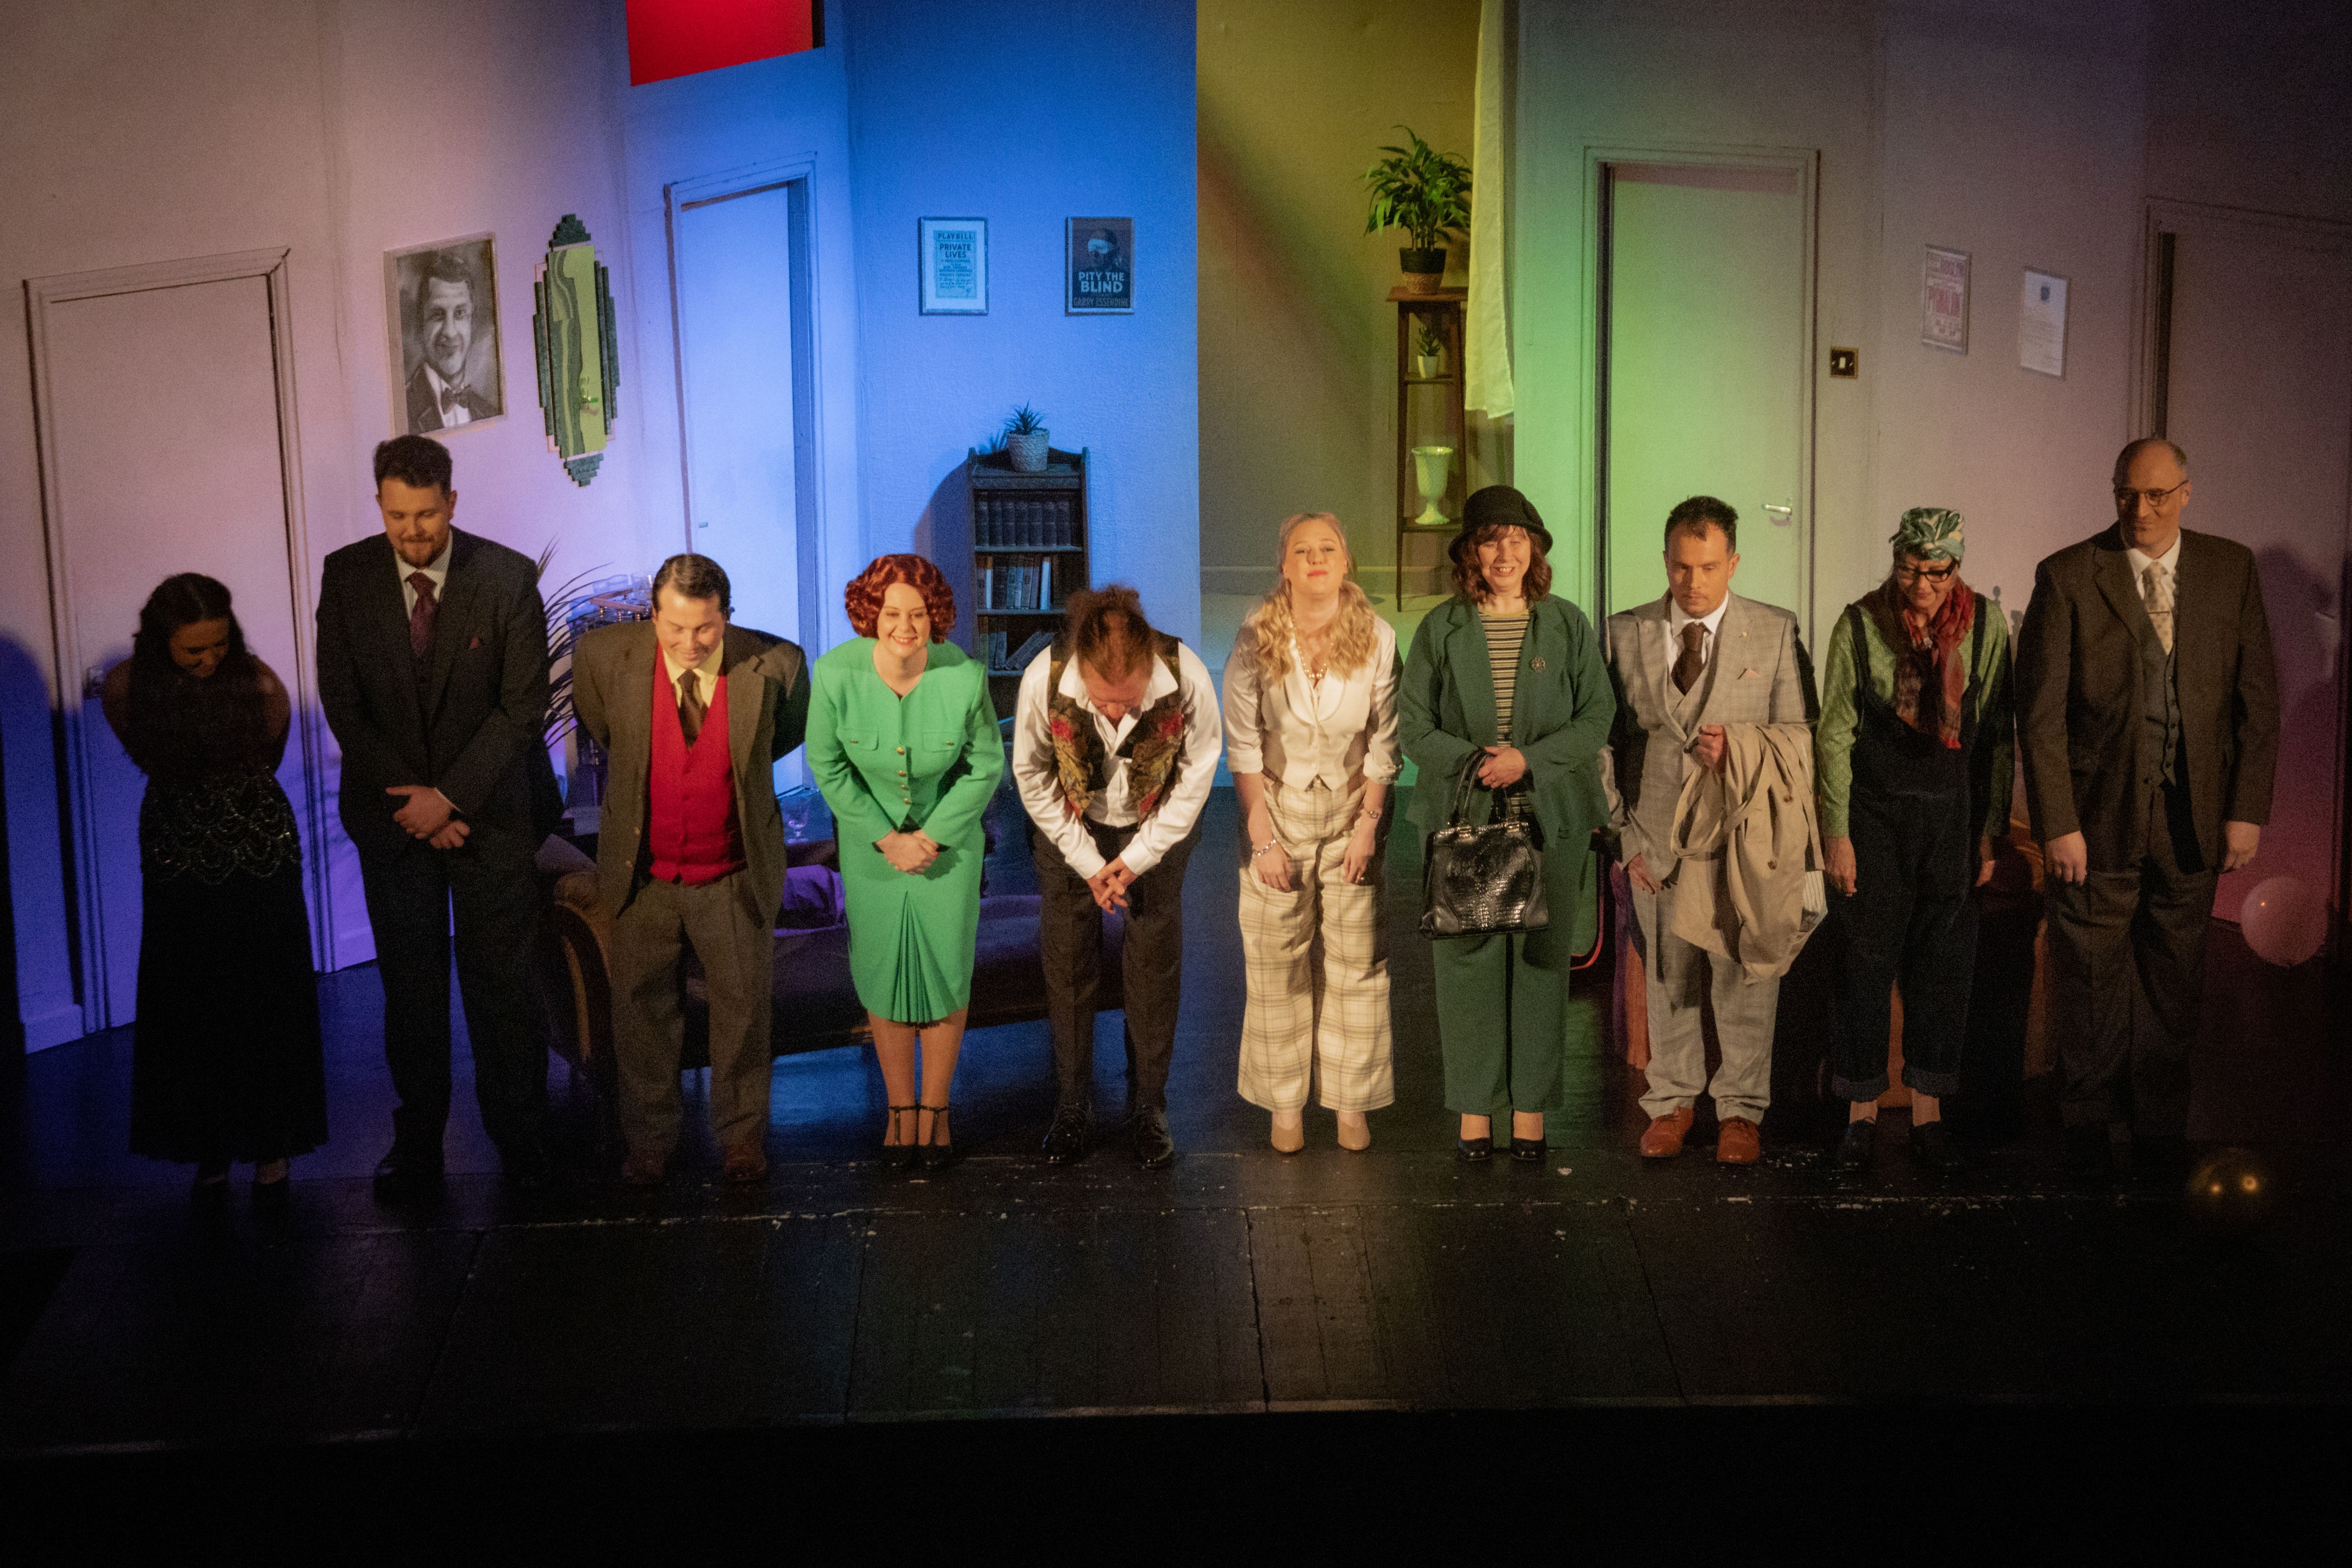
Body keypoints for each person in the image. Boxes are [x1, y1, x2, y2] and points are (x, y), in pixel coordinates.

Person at [2017, 438, 2278, 1177]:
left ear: (2186, 493)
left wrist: (2246, 809)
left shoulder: (2230, 570)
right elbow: (2040, 716)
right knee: (2089, 976)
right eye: (2127, 494)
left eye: (2158, 495)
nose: (2141, 509)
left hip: (2194, 820)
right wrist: (2059, 823)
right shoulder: (2069, 575)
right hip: (2096, 818)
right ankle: (2088, 1120)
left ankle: (2160, 1123)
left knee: (2175, 977)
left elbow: (2257, 701)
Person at [315, 434, 553, 1199]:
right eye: (396, 516)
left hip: (491, 819)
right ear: (379, 505)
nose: (411, 532)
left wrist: (447, 799)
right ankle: (417, 1142)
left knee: (502, 990)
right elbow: (345, 705)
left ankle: (521, 1141)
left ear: (452, 501)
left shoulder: (507, 576)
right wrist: (415, 805)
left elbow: (522, 707)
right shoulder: (347, 576)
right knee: (411, 993)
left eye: (425, 515)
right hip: (395, 822)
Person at [571, 554, 809, 1186]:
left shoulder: (778, 665)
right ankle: (649, 1142)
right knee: (641, 1015)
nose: (689, 642)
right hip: (643, 874)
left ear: (727, 617)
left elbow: (778, 739)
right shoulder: (602, 658)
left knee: (744, 1013)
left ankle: (742, 1139)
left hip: (733, 872)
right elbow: (608, 732)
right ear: (653, 616)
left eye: (705, 628)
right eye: (674, 627)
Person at [1399, 486, 1615, 1165]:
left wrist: (1528, 761)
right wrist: (1477, 765)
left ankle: (1529, 1113)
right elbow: (1413, 726)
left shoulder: (1567, 624)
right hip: (1464, 817)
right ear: (1470, 551)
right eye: (1491, 540)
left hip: (1552, 816)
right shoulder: (1442, 628)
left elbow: (1597, 716)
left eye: (1517, 539)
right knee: (1467, 964)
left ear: (1535, 549)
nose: (1504, 553)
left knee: (1543, 965)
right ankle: (1474, 1111)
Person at [1601, 496, 1815, 1165]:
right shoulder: (1625, 632)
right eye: (1681, 567)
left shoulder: (1773, 631)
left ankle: (1741, 1112)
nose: (1693, 582)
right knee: (1669, 977)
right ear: (1665, 560)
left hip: (1741, 840)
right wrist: (1625, 840)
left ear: (1734, 563)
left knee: (1745, 975)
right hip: (1656, 840)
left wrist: (1743, 749)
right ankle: (1672, 1103)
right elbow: (1602, 744)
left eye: (1709, 567)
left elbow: (1800, 737)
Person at [101, 575, 327, 1204]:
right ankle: (209, 1148)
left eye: (219, 645)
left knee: (264, 998)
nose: (209, 660)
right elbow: (144, 753)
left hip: (258, 851)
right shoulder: (126, 688)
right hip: (176, 852)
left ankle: (271, 1146)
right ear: (160, 643)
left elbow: (270, 756)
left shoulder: (259, 684)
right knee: (189, 1000)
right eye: (192, 651)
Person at [1817, 508, 2013, 1175]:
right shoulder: (1860, 623)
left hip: (1950, 815)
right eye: (1909, 569)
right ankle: (1861, 1115)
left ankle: (1929, 1116)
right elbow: (1834, 733)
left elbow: (1995, 733)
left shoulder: (1987, 626)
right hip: (1874, 815)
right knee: (1863, 966)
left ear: (1957, 566)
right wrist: (1836, 832)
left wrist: (1988, 831)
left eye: (1937, 572)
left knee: (1942, 970)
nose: (1922, 585)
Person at [1011, 585, 1222, 1168]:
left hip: (1157, 826)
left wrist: (1136, 858)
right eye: (1104, 703)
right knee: (1067, 959)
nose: (1115, 714)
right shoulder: (1045, 677)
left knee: (1153, 960)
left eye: (1128, 704)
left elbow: (1197, 774)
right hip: (1068, 826)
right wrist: (1088, 862)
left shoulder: (1185, 675)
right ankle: (1072, 1105)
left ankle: (1149, 1104)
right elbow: (1032, 775)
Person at [805, 554, 1001, 1170]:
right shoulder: (834, 675)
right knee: (884, 973)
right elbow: (827, 764)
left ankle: (936, 1109)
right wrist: (885, 838)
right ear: (872, 614)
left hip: (949, 851)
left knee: (946, 973)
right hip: (873, 854)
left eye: (918, 614)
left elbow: (986, 765)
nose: (905, 628)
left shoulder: (964, 676)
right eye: (892, 614)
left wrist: (933, 836)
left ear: (935, 616)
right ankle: (899, 1109)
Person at [1223, 513, 1401, 1154]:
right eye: (1303, 550)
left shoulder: (1377, 636)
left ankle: (1352, 1102)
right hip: (1278, 808)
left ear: (1346, 561)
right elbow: (1242, 742)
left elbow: (1385, 741)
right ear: (1285, 566)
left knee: (1358, 962)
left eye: (1328, 548)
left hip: (1354, 811)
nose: (1317, 559)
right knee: (1276, 962)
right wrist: (1263, 838)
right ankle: (1285, 1105)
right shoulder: (1256, 634)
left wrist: (1368, 829)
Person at [404, 249, 496, 433]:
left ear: (472, 321)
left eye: (460, 313)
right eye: (437, 315)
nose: (450, 332)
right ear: (421, 324)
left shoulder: (487, 411)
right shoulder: (404, 410)